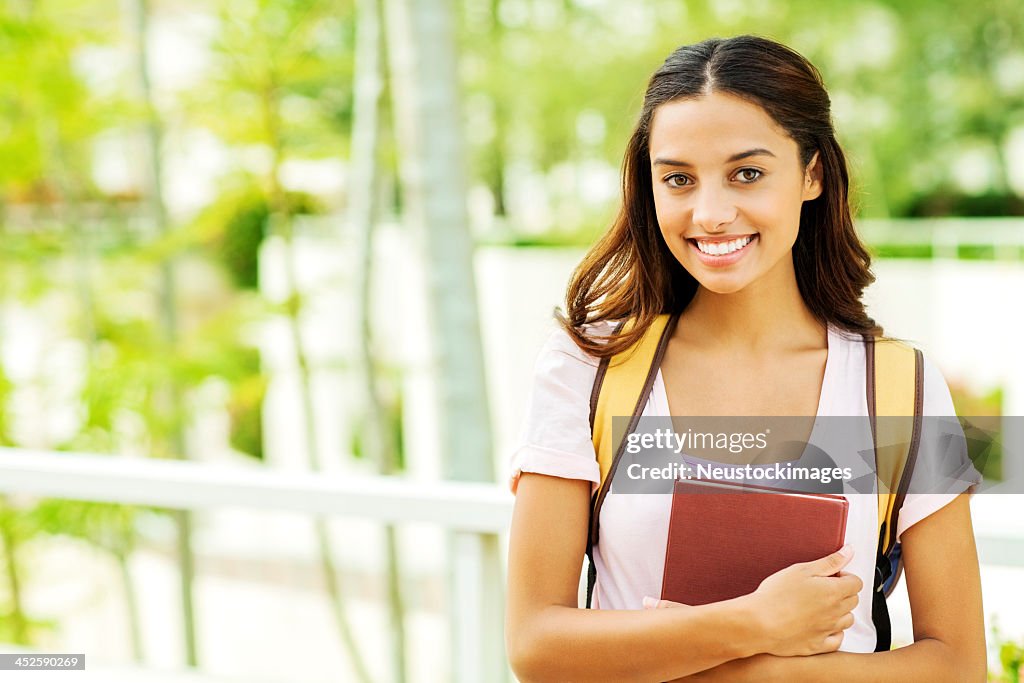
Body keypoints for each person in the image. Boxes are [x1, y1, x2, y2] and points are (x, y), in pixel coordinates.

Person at [504, 34, 986, 681]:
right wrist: (754, 623)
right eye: (678, 178)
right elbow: (535, 644)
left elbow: (956, 663)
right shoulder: (590, 363)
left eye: (747, 173)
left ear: (812, 172)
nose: (711, 212)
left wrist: (755, 669)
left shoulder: (898, 385)